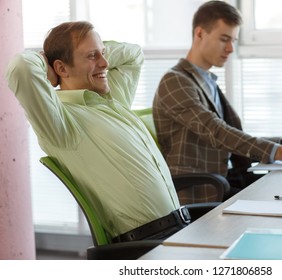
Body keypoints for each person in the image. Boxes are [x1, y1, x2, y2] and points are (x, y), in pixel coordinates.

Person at [6, 21, 191, 243]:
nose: (105, 63)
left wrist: (93, 51)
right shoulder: (61, 122)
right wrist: (46, 62)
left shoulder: (113, 100)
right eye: (92, 56)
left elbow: (134, 55)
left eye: (103, 53)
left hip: (180, 229)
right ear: (61, 68)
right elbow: (21, 67)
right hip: (147, 244)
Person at [153, 1, 282, 204]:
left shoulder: (206, 81)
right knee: (281, 201)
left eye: (233, 40)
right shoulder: (176, 81)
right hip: (198, 194)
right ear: (199, 34)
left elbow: (231, 136)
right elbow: (216, 131)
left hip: (221, 182)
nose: (231, 48)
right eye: (224, 39)